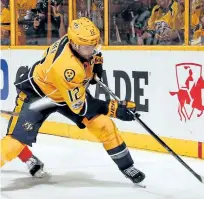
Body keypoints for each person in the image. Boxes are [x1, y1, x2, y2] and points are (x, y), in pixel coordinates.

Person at [0, 17, 145, 184]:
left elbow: (93, 53)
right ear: (75, 45)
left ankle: (127, 166)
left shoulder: (76, 41)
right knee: (15, 143)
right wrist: (114, 109)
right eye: (87, 47)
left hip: (65, 93)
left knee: (104, 125)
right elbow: (80, 107)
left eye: (94, 45)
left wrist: (96, 63)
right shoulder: (67, 68)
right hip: (38, 96)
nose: (92, 49)